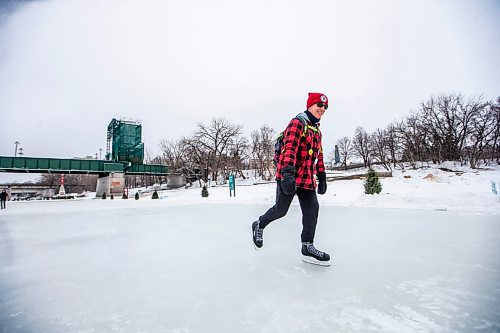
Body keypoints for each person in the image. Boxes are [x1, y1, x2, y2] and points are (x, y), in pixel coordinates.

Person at [252, 92, 330, 266]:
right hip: (289, 176)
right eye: (319, 105)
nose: (322, 109)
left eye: (325, 107)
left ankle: (307, 246)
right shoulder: (297, 123)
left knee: (312, 210)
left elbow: (320, 155)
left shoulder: (317, 131)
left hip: (306, 179)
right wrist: (287, 175)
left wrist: (322, 175)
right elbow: (290, 150)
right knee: (281, 210)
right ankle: (259, 224)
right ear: (310, 105)